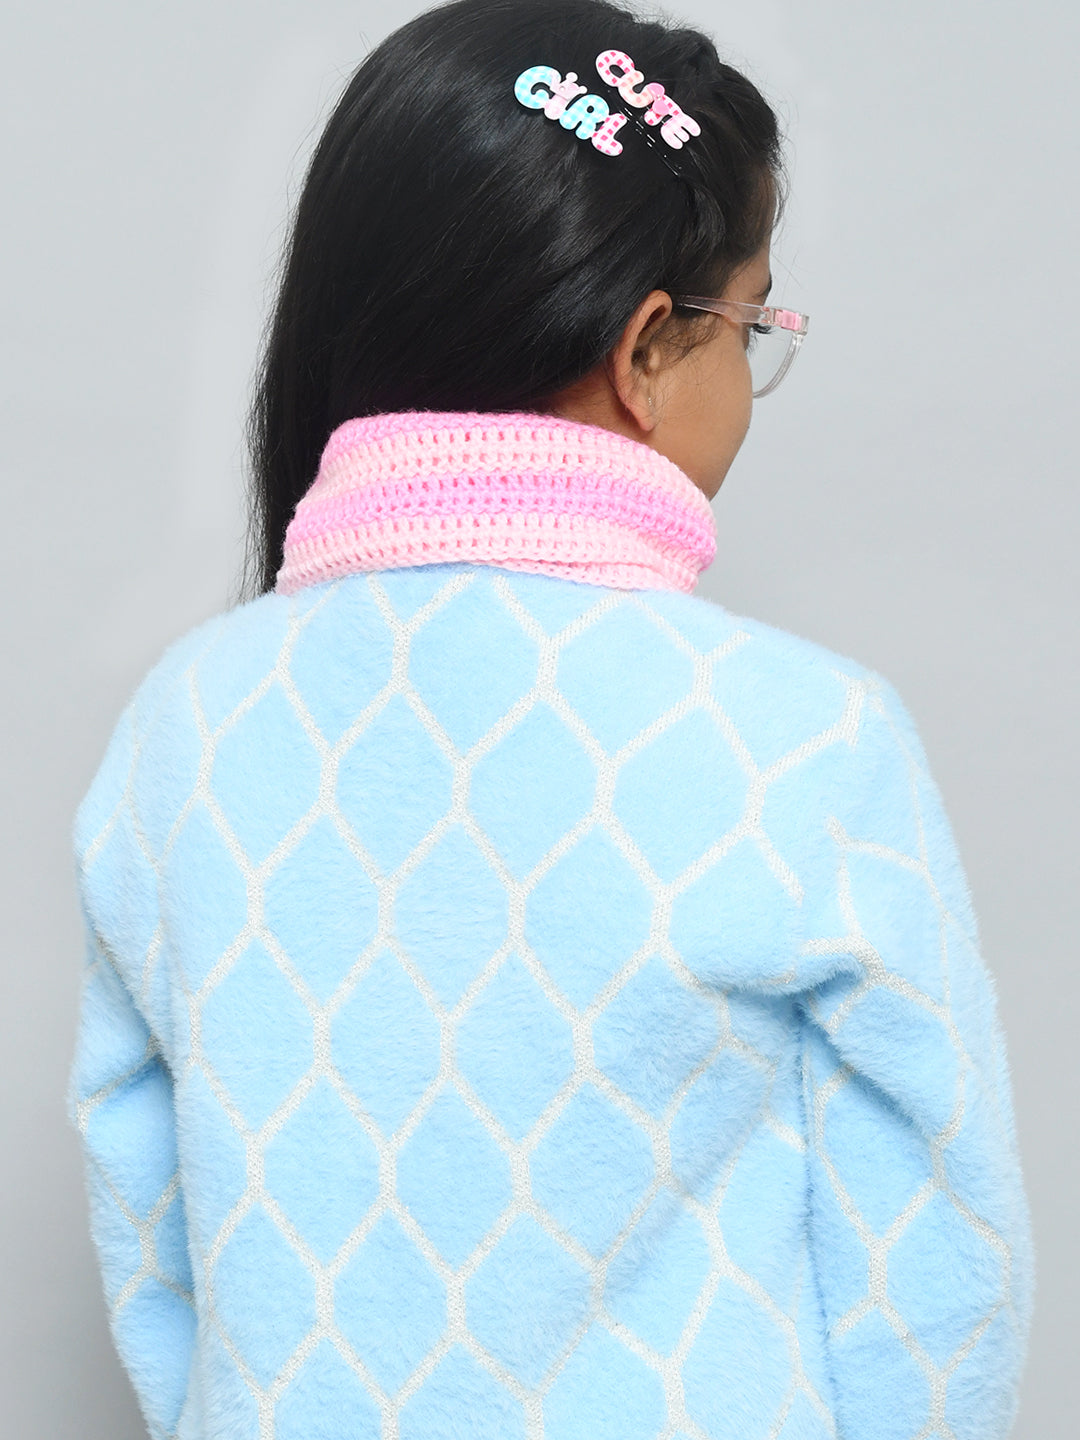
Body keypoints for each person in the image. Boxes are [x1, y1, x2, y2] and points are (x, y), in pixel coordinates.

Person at [64, 1, 1034, 1437]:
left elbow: (152, 1229)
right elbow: (932, 1264)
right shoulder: (802, 739)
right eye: (749, 323)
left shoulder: (180, 732)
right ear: (647, 351)